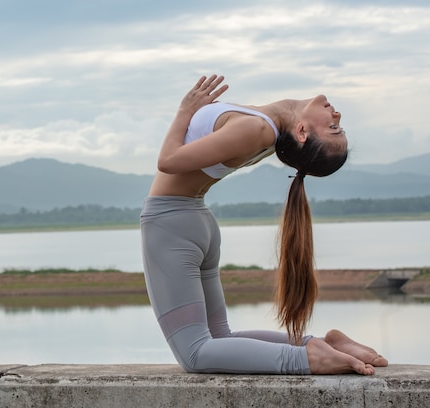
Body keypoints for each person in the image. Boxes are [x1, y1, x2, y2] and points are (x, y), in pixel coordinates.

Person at [140, 74, 388, 375]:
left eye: (333, 127)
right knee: (219, 338)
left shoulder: (256, 129)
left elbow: (167, 161)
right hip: (191, 219)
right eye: (337, 125)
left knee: (194, 353)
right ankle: (322, 345)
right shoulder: (266, 130)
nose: (336, 113)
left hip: (170, 224)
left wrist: (185, 110)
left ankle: (310, 358)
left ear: (301, 132)